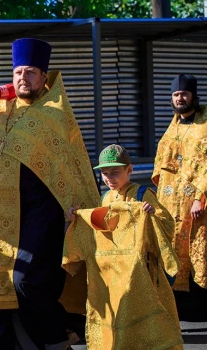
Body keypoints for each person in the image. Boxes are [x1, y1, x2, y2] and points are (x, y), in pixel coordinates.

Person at [0, 38, 100, 349]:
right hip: (6, 217)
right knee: (10, 284)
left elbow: (72, 168)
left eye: (31, 72)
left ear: (44, 77)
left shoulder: (53, 113)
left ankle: (57, 339)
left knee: (28, 282)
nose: (24, 77)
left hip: (45, 214)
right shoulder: (2, 110)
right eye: (19, 71)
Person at [64, 144, 183, 350]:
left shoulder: (142, 194)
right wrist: (79, 218)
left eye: (116, 172)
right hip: (117, 273)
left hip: (141, 271)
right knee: (120, 316)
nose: (110, 178)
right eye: (105, 173)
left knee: (147, 318)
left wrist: (152, 213)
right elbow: (104, 229)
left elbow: (168, 224)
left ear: (129, 170)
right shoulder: (106, 198)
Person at [152, 73, 207, 316]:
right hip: (169, 201)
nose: (180, 98)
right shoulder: (172, 125)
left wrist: (200, 197)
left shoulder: (205, 125)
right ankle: (180, 309)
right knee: (173, 247)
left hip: (197, 202)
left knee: (198, 248)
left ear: (193, 96)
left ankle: (201, 307)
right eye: (176, 94)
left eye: (184, 94)